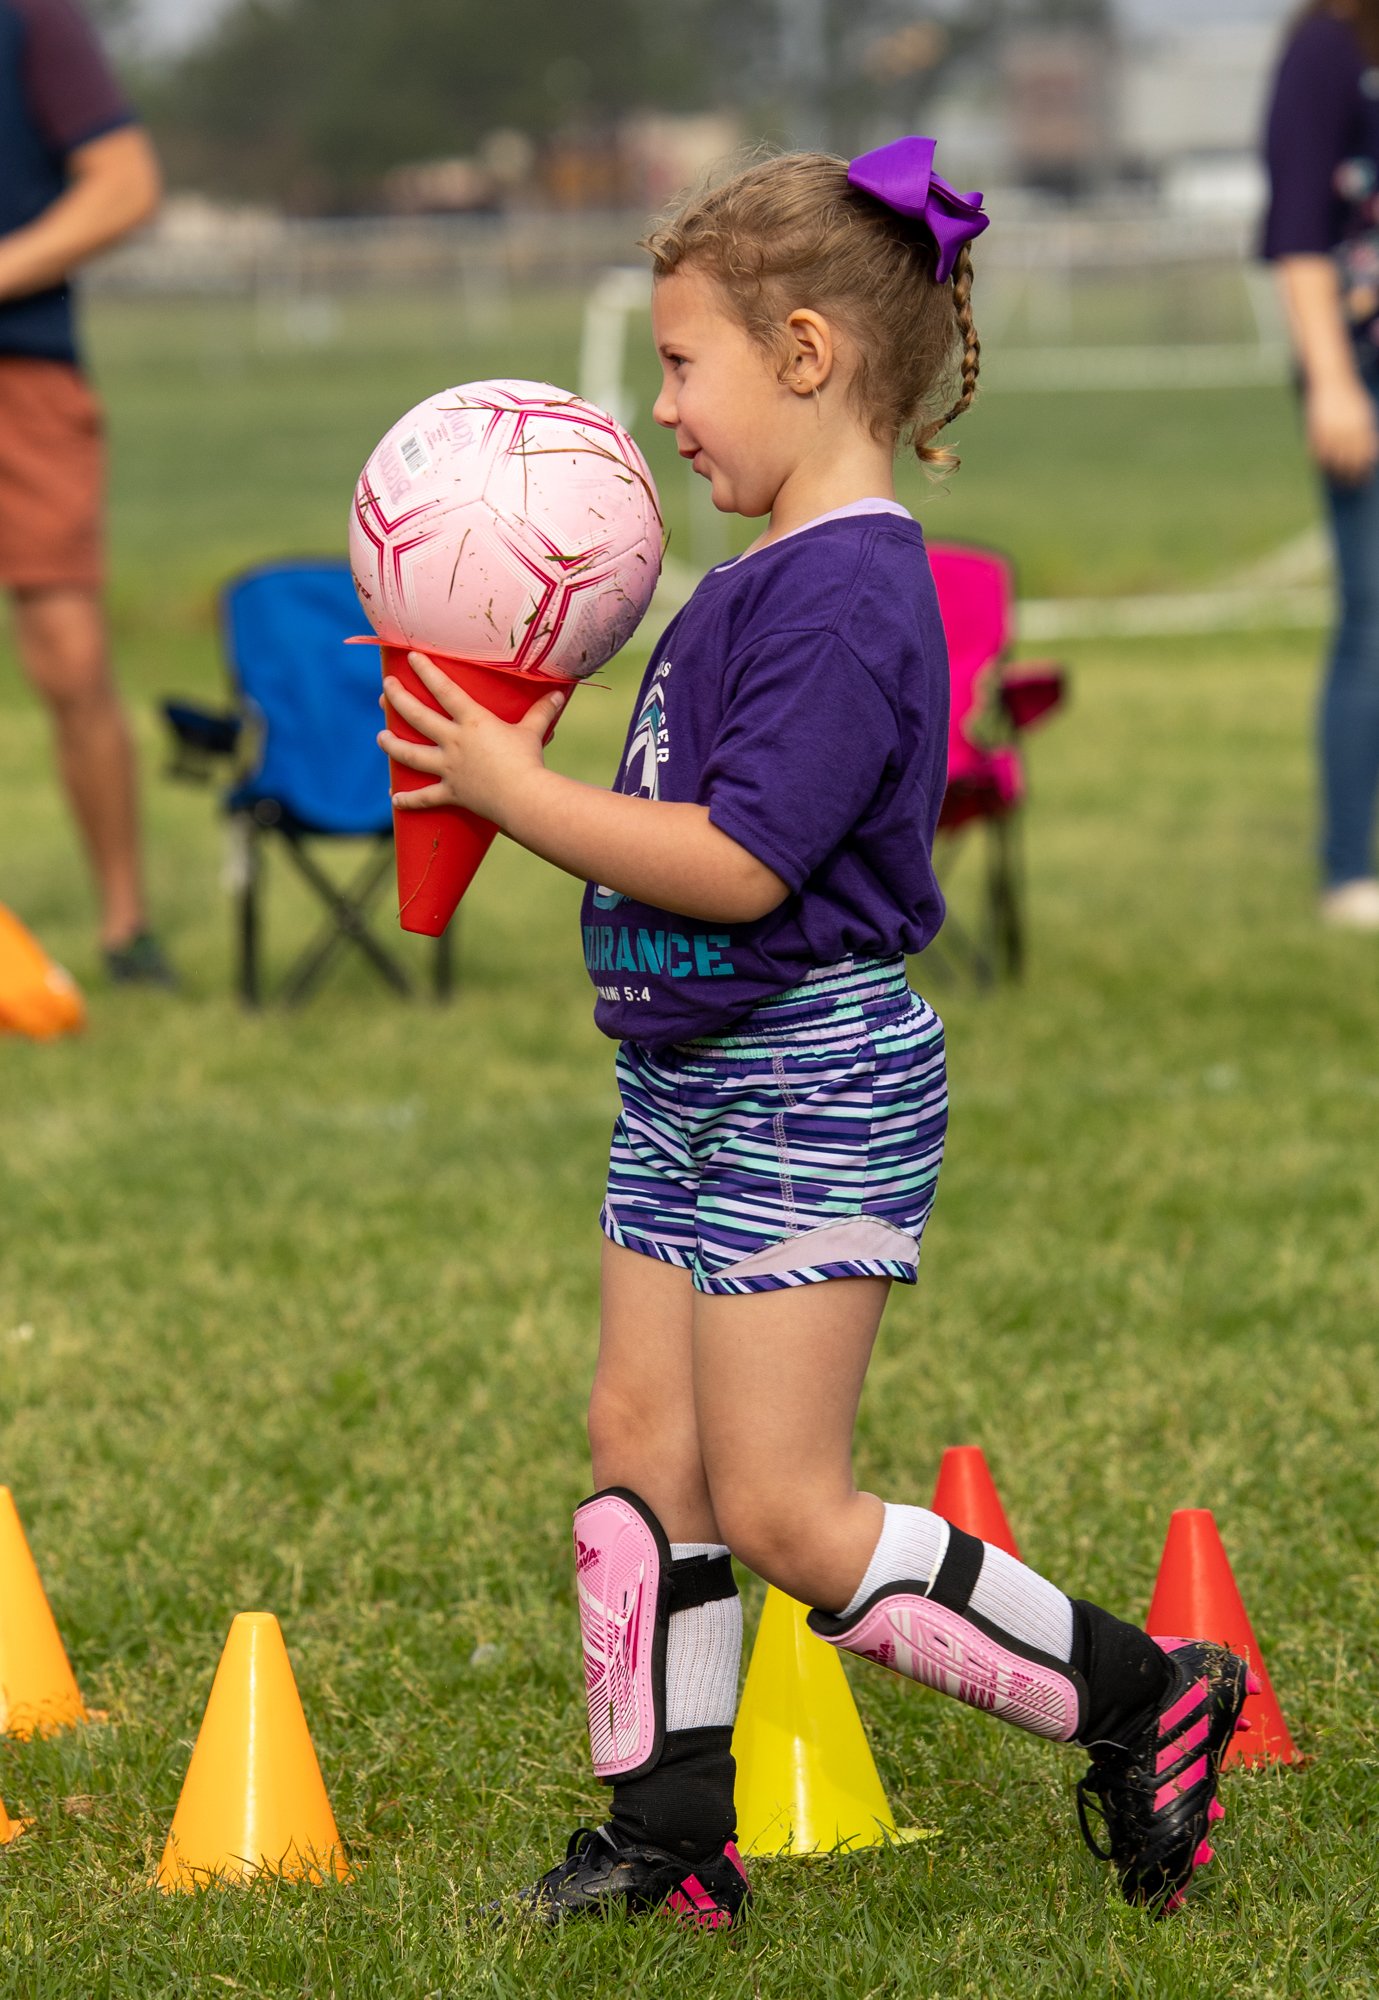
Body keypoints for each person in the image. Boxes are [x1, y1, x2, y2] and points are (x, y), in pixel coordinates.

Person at [379, 139, 1252, 1926]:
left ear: (801, 353)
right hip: (682, 1081)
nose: (660, 409)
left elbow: (738, 866)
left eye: (680, 364)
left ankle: (1143, 1698)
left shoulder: (849, 596)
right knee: (640, 1451)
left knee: (782, 1511)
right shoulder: (752, 579)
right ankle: (664, 1844)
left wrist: (512, 794)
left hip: (804, 1076)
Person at [0, 0, 172, 982]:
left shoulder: (33, 17)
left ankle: (124, 927)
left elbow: (125, 182)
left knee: (69, 658)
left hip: (20, 372)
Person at [1264, 0, 1379, 928]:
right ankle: (1347, 868)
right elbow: (1299, 233)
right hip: (1363, 368)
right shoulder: (1326, 46)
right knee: (1372, 618)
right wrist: (1332, 382)